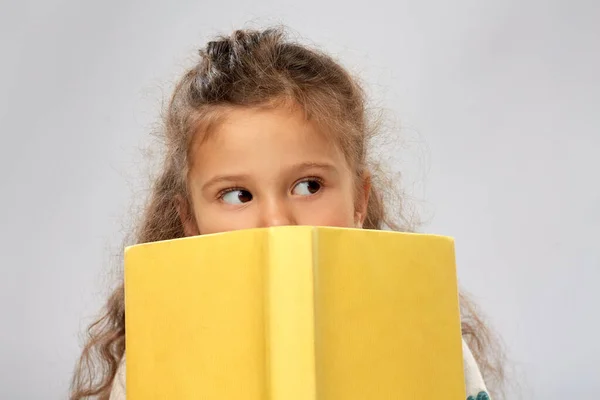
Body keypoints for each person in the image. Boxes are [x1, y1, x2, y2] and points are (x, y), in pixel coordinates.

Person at [70, 27, 504, 400]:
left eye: (308, 186)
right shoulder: (159, 346)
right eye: (237, 195)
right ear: (189, 220)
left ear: (360, 199)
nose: (276, 221)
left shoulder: (423, 332)